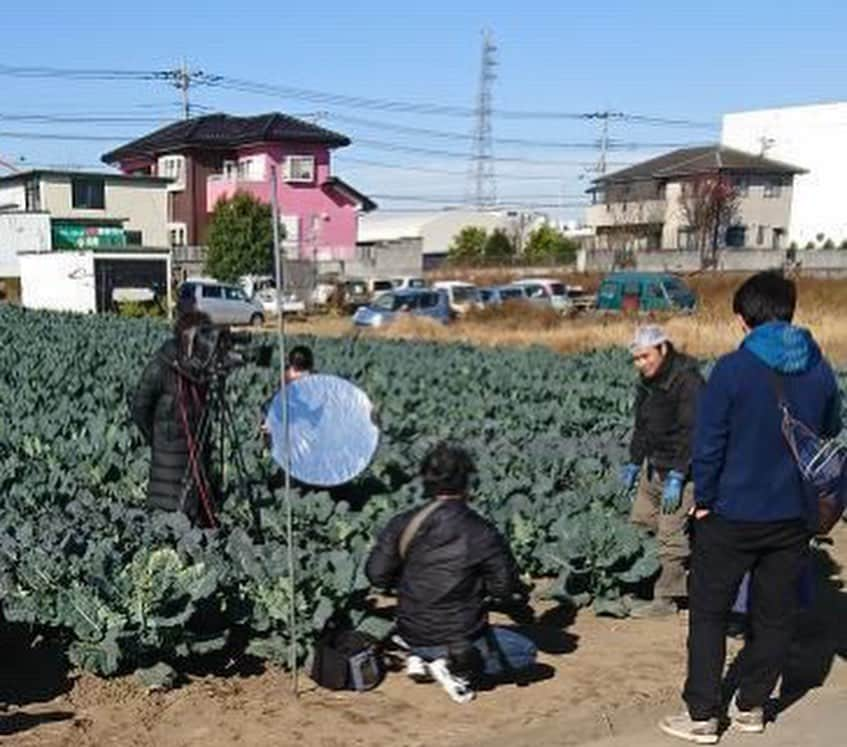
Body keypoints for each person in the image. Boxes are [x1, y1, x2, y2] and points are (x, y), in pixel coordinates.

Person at [660, 271, 842, 743]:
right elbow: (828, 428)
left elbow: (710, 442)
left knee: (709, 613)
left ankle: (702, 715)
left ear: (743, 319)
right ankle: (752, 707)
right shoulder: (820, 369)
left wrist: (704, 501)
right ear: (790, 313)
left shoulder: (732, 370)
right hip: (792, 515)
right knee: (776, 615)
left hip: (731, 513)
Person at [366, 443, 537, 703]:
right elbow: (503, 588)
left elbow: (376, 575)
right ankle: (452, 666)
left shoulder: (403, 523)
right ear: (467, 482)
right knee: (525, 652)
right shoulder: (482, 531)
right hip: (461, 637)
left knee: (434, 637)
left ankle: (422, 657)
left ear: (426, 482)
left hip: (411, 630)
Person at [621, 325, 704, 618]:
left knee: (671, 536)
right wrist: (634, 461)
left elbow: (693, 432)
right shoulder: (647, 382)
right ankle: (642, 582)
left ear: (663, 349)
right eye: (636, 358)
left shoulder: (688, 382)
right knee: (640, 524)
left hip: (682, 471)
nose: (640, 364)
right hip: (653, 466)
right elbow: (642, 425)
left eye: (645, 356)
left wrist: (679, 474)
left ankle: (666, 599)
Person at [131, 310, 215, 524]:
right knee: (166, 520)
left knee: (193, 521)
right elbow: (140, 408)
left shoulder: (203, 371)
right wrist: (159, 438)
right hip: (167, 462)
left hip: (195, 461)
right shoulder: (160, 366)